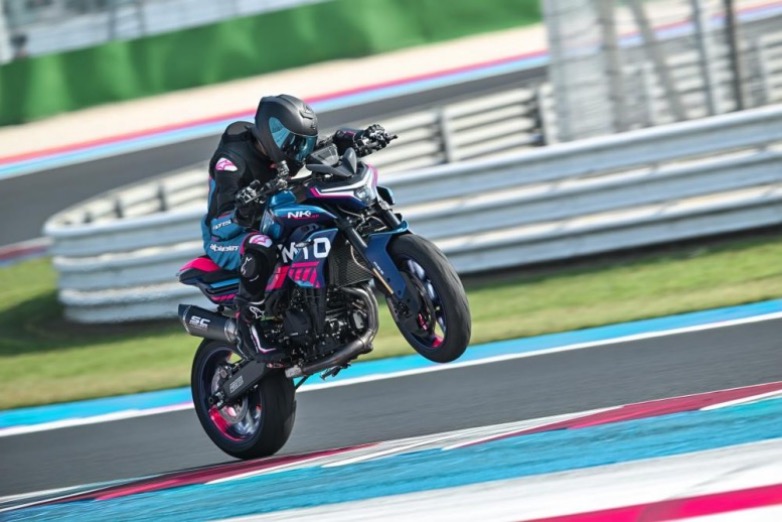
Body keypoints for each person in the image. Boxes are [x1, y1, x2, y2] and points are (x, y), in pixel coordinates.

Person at [202, 94, 391, 361]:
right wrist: (244, 204)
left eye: (303, 142)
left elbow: (330, 143)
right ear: (270, 132)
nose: (299, 150)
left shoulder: (287, 148)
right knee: (261, 244)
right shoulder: (230, 161)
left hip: (267, 218)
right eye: (292, 141)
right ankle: (247, 323)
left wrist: (360, 137)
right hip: (226, 232)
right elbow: (225, 213)